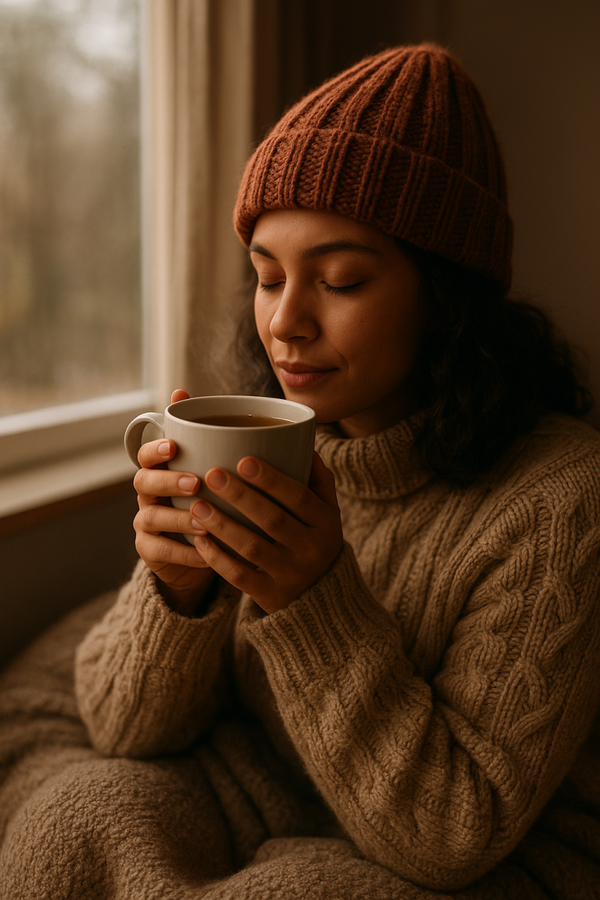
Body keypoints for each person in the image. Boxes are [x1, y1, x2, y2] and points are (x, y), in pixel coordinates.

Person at [74, 43, 600, 896]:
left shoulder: (562, 499)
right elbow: (117, 726)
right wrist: (177, 587)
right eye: (267, 276)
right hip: (280, 801)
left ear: (446, 294)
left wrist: (311, 599)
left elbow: (452, 837)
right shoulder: (279, 442)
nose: (284, 323)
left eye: (342, 280)